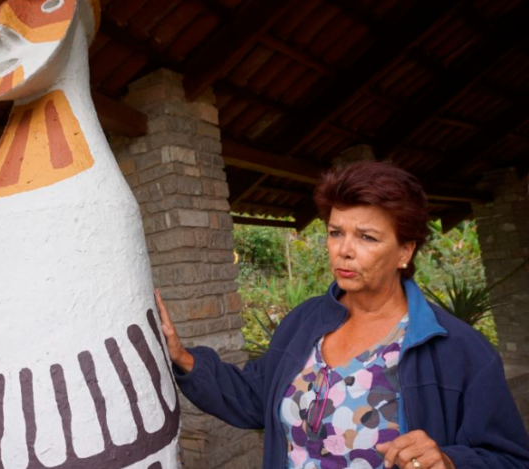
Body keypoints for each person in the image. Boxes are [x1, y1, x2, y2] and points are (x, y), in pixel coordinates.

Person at [156, 162, 529, 469]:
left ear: (405, 251)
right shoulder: (304, 322)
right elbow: (256, 397)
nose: (344, 251)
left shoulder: (460, 351)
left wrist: (449, 461)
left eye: (367, 237)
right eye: (336, 233)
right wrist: (185, 358)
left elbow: (510, 458)